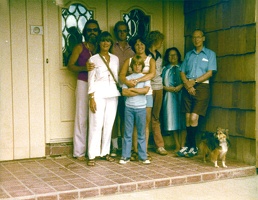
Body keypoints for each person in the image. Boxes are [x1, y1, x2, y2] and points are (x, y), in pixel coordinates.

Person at [177, 29, 217, 157]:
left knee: (194, 117)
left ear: (203, 38)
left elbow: (210, 73)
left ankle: (192, 146)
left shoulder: (210, 54)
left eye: (199, 37)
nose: (196, 40)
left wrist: (193, 82)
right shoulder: (189, 55)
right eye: (194, 37)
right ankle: (189, 147)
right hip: (188, 86)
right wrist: (187, 84)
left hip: (202, 87)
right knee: (187, 118)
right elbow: (182, 71)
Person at [68, 19, 101, 161]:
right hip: (83, 83)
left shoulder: (101, 46)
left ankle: (94, 151)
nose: (92, 32)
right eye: (89, 30)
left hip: (99, 85)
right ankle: (79, 152)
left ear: (98, 32)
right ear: (85, 32)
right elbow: (70, 65)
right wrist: (84, 68)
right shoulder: (79, 47)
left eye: (95, 30)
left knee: (96, 117)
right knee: (82, 116)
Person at [119, 36, 156, 161]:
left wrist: (138, 80)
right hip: (131, 94)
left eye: (142, 44)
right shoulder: (130, 61)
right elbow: (122, 76)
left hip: (146, 94)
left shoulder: (150, 60)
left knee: (145, 122)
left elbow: (152, 74)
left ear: (145, 45)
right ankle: (134, 150)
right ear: (133, 46)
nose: (139, 47)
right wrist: (129, 83)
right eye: (137, 44)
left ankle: (143, 151)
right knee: (132, 124)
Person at [87, 31, 120, 166]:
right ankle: (92, 154)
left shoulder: (115, 58)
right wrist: (91, 97)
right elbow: (91, 79)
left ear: (111, 43)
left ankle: (105, 152)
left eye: (108, 41)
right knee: (96, 124)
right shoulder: (93, 59)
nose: (105, 43)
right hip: (98, 93)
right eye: (103, 41)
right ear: (99, 43)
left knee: (109, 123)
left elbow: (116, 77)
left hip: (112, 93)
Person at [110, 21, 135, 157]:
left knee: (126, 118)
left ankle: (127, 147)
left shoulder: (132, 50)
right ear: (116, 32)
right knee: (113, 118)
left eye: (124, 31)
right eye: (119, 31)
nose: (122, 33)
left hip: (127, 88)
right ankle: (114, 147)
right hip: (113, 86)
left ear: (127, 32)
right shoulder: (111, 47)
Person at [146, 31, 167, 155]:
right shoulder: (145, 55)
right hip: (148, 88)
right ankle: (143, 146)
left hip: (159, 87)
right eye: (160, 41)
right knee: (145, 117)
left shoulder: (159, 55)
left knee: (156, 117)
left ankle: (159, 145)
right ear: (155, 40)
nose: (162, 43)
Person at [161, 47, 186, 152]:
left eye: (175, 55)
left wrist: (181, 85)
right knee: (173, 119)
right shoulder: (165, 69)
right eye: (170, 55)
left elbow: (187, 79)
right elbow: (160, 83)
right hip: (170, 96)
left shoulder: (183, 67)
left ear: (178, 56)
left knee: (183, 119)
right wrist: (167, 88)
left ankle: (183, 145)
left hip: (182, 94)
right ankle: (177, 144)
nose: (173, 57)